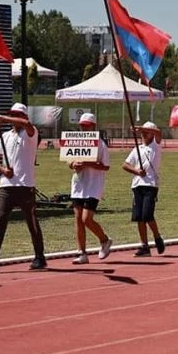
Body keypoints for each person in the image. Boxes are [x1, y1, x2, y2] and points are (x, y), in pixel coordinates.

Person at [0, 102, 46, 273]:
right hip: (6, 186)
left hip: (25, 185)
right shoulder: (5, 136)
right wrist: (3, 170)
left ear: (24, 116)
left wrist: (2, 118)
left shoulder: (31, 133)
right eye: (12, 114)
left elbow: (27, 125)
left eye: (17, 114)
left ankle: (39, 256)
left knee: (32, 223)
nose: (14, 117)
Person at [68, 113, 112, 264]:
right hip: (78, 183)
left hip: (94, 185)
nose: (84, 127)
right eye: (82, 125)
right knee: (78, 219)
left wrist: (88, 163)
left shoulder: (100, 144)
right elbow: (69, 161)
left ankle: (104, 240)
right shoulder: (76, 142)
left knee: (87, 219)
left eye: (87, 125)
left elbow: (106, 166)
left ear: (93, 126)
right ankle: (82, 252)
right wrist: (73, 164)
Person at [123, 122, 165, 257]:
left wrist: (141, 128)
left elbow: (159, 132)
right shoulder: (137, 148)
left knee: (147, 215)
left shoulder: (156, 146)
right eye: (143, 133)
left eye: (147, 132)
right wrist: (136, 171)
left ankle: (157, 236)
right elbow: (125, 164)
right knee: (139, 217)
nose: (144, 134)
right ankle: (144, 245)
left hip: (151, 185)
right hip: (137, 185)